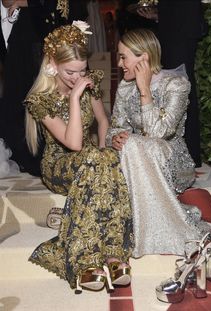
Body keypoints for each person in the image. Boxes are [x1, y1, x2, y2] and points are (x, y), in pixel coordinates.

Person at [25, 20, 133, 293]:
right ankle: (87, 259)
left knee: (104, 159)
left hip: (89, 158)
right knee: (95, 160)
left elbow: (102, 119)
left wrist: (106, 146)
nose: (78, 77)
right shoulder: (40, 100)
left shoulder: (89, 81)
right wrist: (74, 98)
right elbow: (73, 143)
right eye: (70, 72)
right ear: (52, 63)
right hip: (59, 165)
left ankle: (112, 257)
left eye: (82, 70)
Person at [106, 28, 210, 258]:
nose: (119, 62)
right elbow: (114, 127)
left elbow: (158, 133)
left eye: (123, 57)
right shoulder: (124, 87)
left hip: (171, 161)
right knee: (123, 148)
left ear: (143, 58)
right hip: (134, 157)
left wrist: (144, 91)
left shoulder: (176, 85)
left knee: (136, 145)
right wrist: (115, 138)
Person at [0, 0, 88, 176]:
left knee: (65, 88)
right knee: (24, 95)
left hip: (57, 33)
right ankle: (29, 155)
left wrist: (27, 2)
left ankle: (62, 147)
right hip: (28, 37)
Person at [135, 0, 206, 167]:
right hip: (172, 25)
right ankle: (178, 152)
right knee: (172, 87)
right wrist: (159, 14)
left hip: (181, 27)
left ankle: (187, 155)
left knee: (181, 87)